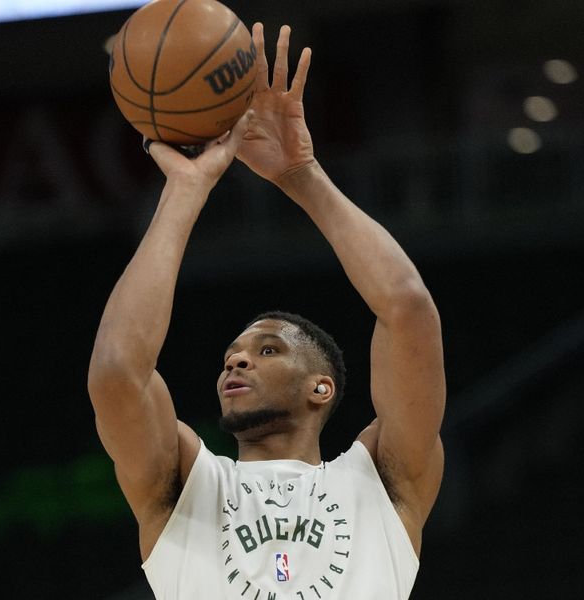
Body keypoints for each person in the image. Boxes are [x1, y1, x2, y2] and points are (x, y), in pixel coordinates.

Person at [88, 22, 445, 600]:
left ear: (321, 388)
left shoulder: (383, 480)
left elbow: (407, 308)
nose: (237, 362)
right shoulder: (184, 485)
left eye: (267, 349)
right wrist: (185, 192)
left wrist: (301, 177)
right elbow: (116, 372)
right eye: (232, 355)